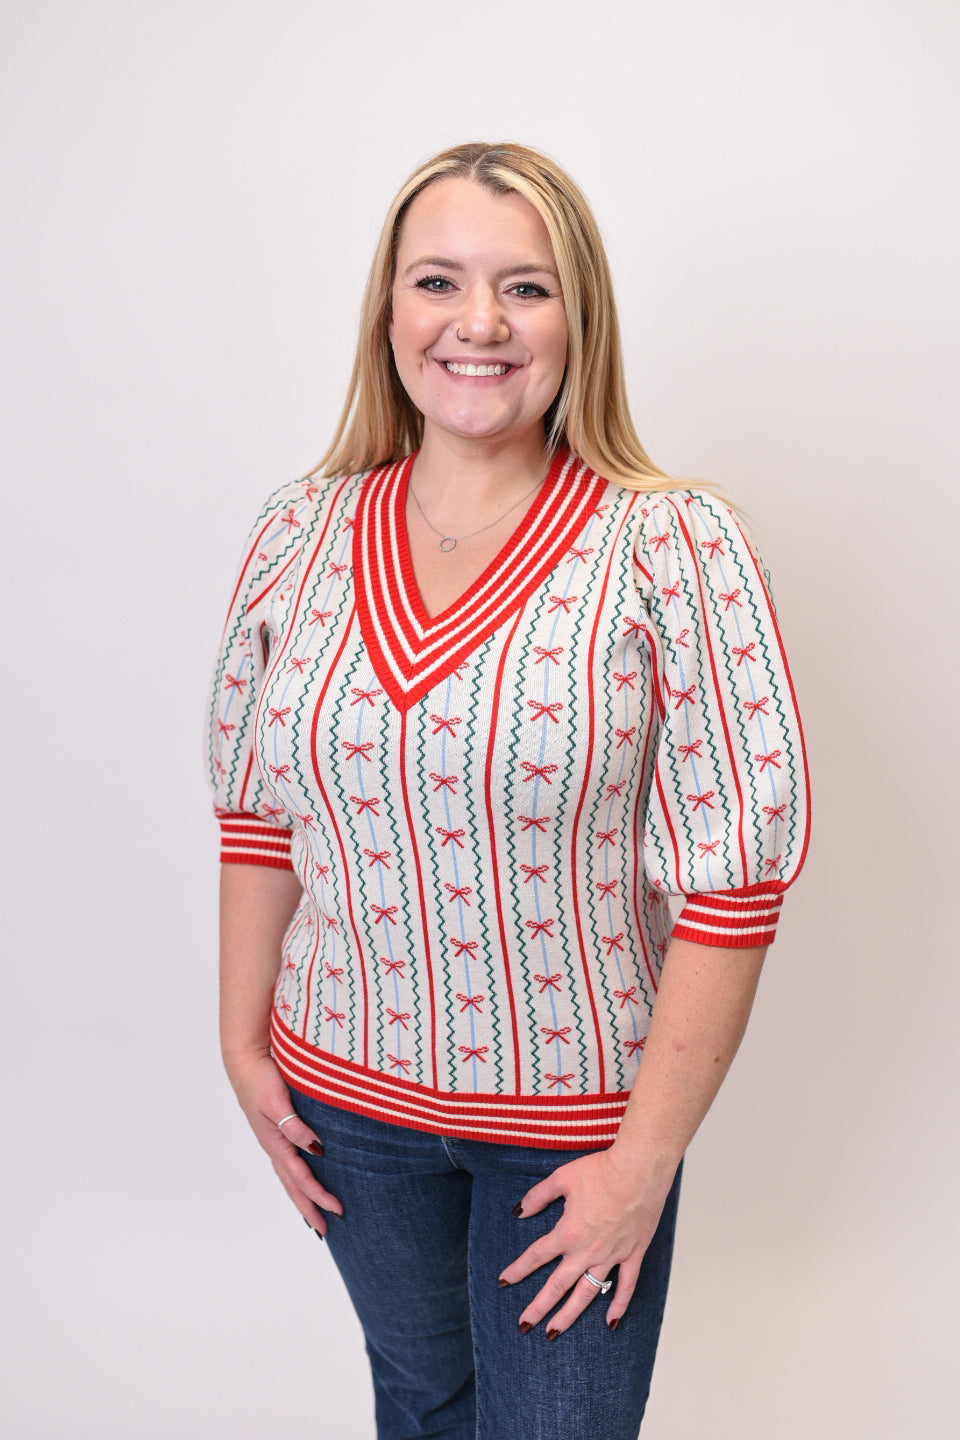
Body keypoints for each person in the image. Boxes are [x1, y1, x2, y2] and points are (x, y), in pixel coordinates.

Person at [206, 141, 809, 1440]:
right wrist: (241, 1043)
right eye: (439, 281)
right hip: (343, 1105)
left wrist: (644, 1162)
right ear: (388, 311)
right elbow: (256, 812)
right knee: (424, 1409)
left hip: (576, 1132)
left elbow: (735, 881)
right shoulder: (297, 532)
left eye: (525, 288)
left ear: (579, 319)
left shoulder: (672, 544)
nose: (477, 322)